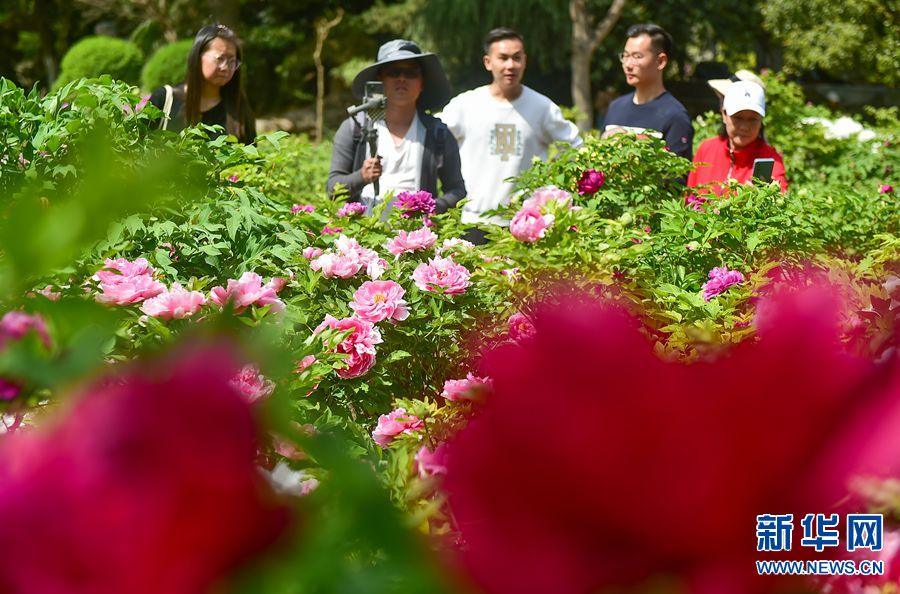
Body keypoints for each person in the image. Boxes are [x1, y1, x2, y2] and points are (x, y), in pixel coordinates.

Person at [436, 27, 582, 232]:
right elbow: (433, 139)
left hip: (526, 225)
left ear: (525, 61)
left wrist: (554, 179)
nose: (510, 65)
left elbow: (575, 146)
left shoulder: (542, 107)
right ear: (488, 62)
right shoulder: (466, 105)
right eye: (503, 58)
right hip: (472, 221)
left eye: (516, 58)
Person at [326, 39, 465, 216]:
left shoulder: (438, 133)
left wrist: (434, 207)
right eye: (393, 72)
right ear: (380, 80)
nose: (402, 78)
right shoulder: (356, 128)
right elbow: (332, 189)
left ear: (422, 82)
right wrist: (361, 177)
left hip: (417, 238)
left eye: (411, 72)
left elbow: (457, 190)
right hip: (362, 235)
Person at [149, 24, 256, 144]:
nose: (225, 67)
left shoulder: (239, 110)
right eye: (220, 59)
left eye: (232, 61)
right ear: (198, 57)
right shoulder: (165, 99)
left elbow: (251, 160)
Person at [602, 24, 693, 160]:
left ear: (661, 61)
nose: (628, 64)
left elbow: (676, 177)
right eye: (625, 56)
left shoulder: (675, 116)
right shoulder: (616, 107)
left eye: (637, 56)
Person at [687, 80, 788, 194]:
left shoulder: (771, 160)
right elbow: (689, 199)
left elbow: (781, 197)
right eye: (738, 118)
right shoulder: (706, 149)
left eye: (753, 119)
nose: (744, 127)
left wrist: (766, 198)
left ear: (761, 120)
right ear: (724, 115)